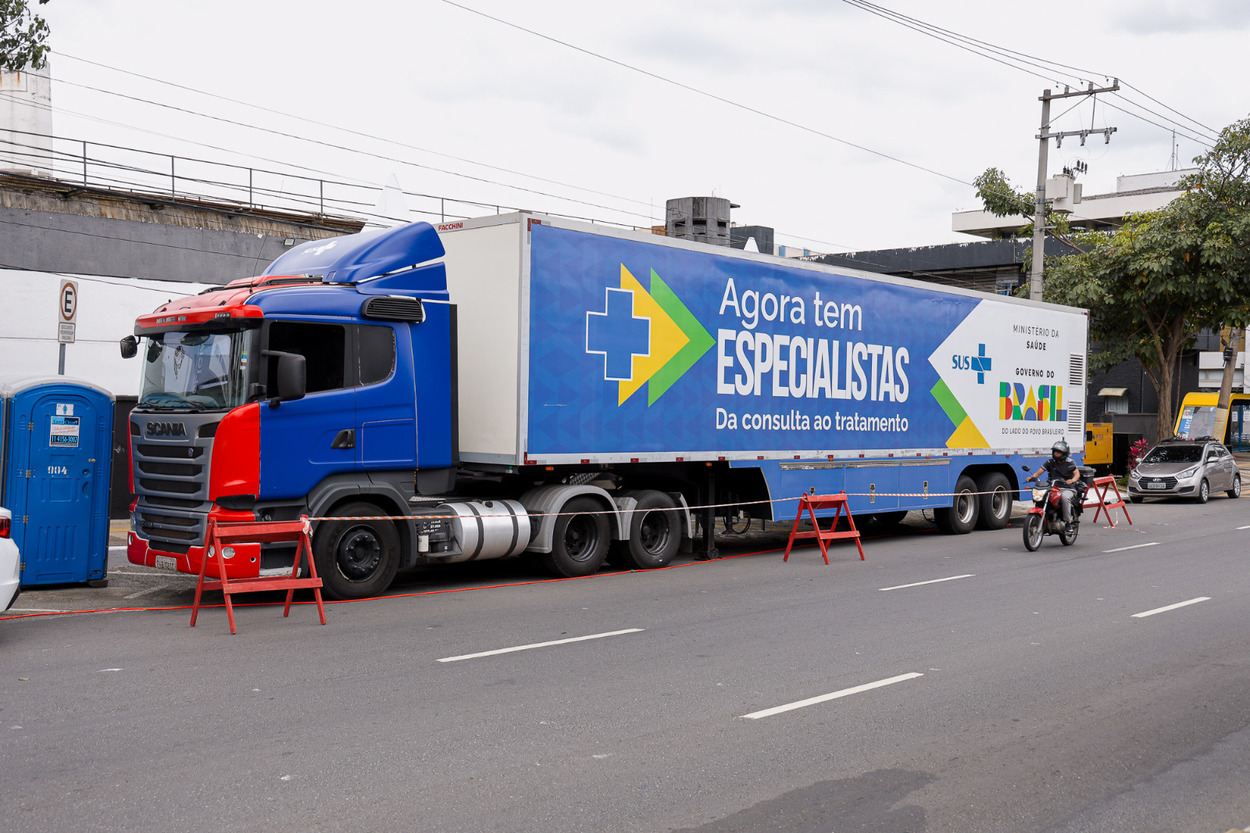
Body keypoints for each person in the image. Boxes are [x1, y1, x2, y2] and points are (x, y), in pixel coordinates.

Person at [1026, 439, 1082, 533]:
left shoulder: (1070, 462)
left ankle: (1068, 523)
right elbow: (1038, 472)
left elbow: (1077, 474)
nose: (1056, 454)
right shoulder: (1050, 462)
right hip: (1053, 487)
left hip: (1067, 488)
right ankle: (1047, 518)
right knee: (1043, 496)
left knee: (1065, 498)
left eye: (1058, 452)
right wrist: (1032, 477)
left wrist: (1072, 480)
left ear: (1064, 453)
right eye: (1055, 452)